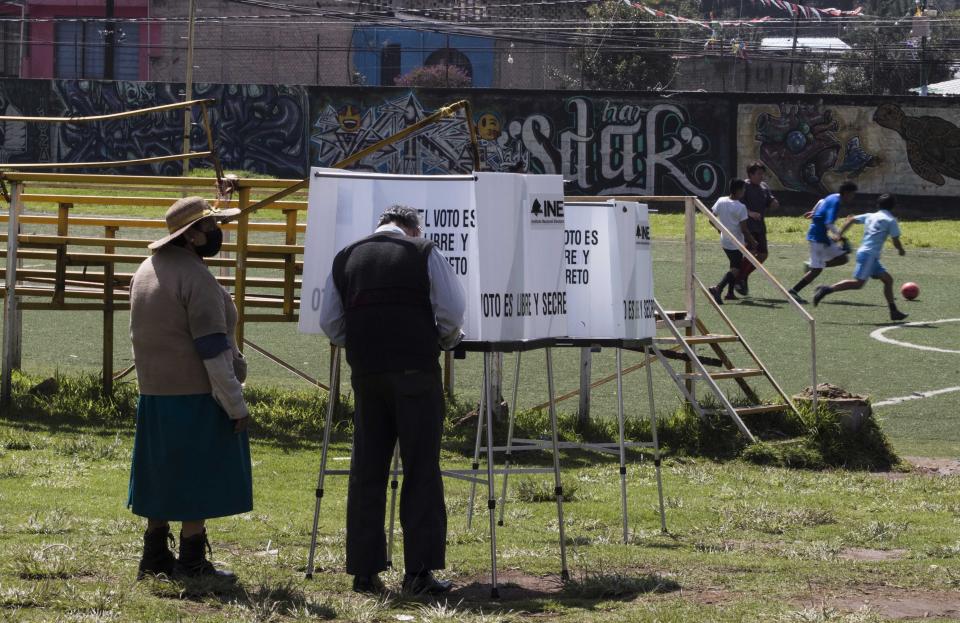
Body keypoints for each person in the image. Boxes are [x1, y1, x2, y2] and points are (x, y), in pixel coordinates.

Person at [319, 205, 466, 595]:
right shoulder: (424, 253)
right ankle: (418, 572)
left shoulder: (346, 257)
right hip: (416, 373)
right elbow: (452, 311)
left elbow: (330, 323)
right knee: (421, 469)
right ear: (413, 228)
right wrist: (443, 340)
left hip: (367, 375)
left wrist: (365, 344)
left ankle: (364, 573)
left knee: (367, 470)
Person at [128, 197, 252, 582]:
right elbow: (213, 353)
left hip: (153, 394)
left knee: (163, 475)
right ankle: (193, 564)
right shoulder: (197, 279)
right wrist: (236, 404)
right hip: (197, 395)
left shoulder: (146, 270)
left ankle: (155, 556)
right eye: (211, 227)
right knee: (197, 479)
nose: (218, 233)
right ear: (192, 237)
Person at [813, 194, 908, 321]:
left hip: (867, 254)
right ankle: (827, 289)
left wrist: (839, 234)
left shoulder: (871, 215)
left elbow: (851, 219)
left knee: (888, 280)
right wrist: (901, 250)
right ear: (893, 206)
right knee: (858, 284)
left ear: (878, 205)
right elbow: (895, 240)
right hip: (869, 255)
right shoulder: (891, 220)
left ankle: (893, 311)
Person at [787, 182, 858, 303]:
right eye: (852, 194)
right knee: (816, 271)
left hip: (822, 237)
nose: (853, 197)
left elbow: (820, 201)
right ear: (846, 193)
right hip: (817, 237)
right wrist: (841, 238)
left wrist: (814, 211)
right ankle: (793, 291)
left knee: (843, 258)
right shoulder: (836, 202)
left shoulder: (833, 196)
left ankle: (812, 265)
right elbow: (828, 223)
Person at [708, 179, 757, 305]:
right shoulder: (741, 207)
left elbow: (711, 219)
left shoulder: (721, 200)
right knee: (736, 268)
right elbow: (744, 229)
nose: (744, 191)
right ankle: (718, 288)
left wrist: (720, 230)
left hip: (725, 240)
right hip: (736, 243)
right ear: (738, 190)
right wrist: (753, 242)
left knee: (733, 265)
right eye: (743, 189)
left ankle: (730, 293)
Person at [735, 161, 779, 296]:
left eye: (762, 174)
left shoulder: (764, 186)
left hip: (760, 227)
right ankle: (736, 278)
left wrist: (773, 203)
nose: (762, 176)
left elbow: (769, 199)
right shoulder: (744, 187)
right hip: (747, 227)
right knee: (751, 252)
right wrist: (750, 213)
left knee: (763, 255)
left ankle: (742, 276)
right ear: (750, 174)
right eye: (759, 174)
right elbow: (737, 204)